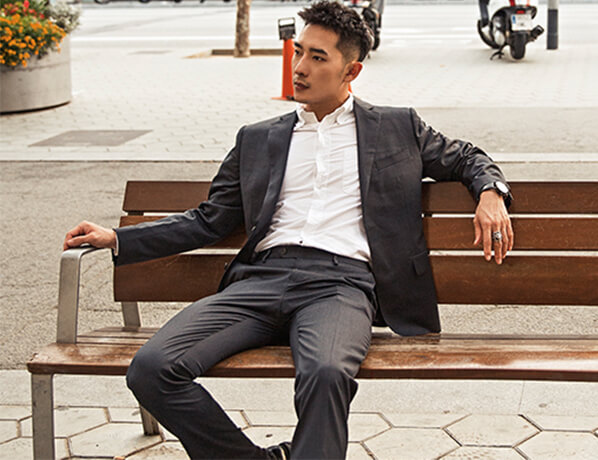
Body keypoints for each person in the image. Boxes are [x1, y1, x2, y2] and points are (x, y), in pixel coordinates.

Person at [63, 2, 513, 459]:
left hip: (340, 286)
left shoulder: (396, 127)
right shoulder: (258, 138)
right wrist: (118, 239)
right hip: (259, 283)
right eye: (299, 52)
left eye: (318, 57)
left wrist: (491, 193)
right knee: (152, 368)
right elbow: (210, 218)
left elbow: (466, 157)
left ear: (351, 71)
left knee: (327, 373)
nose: (299, 68)